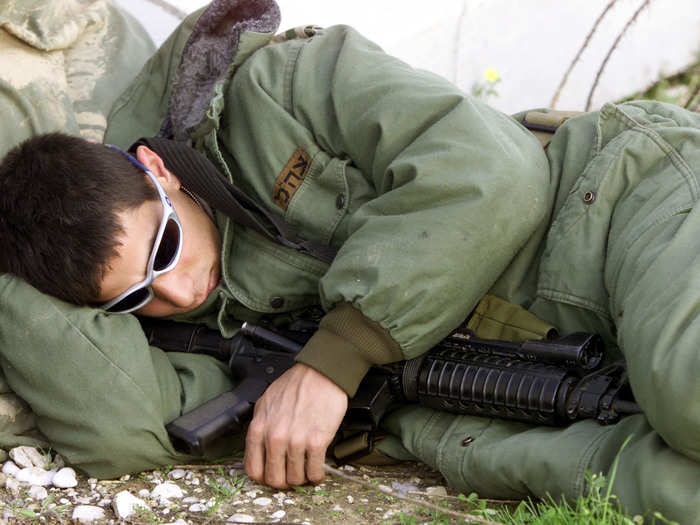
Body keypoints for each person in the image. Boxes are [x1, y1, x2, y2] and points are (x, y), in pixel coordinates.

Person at [1, 0, 700, 521]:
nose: (179, 292)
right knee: (669, 488)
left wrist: (337, 355)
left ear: (158, 169)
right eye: (134, 298)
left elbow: (494, 172)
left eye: (163, 246)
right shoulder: (192, 320)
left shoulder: (281, 87)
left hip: (615, 208)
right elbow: (125, 428)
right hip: (517, 381)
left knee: (688, 392)